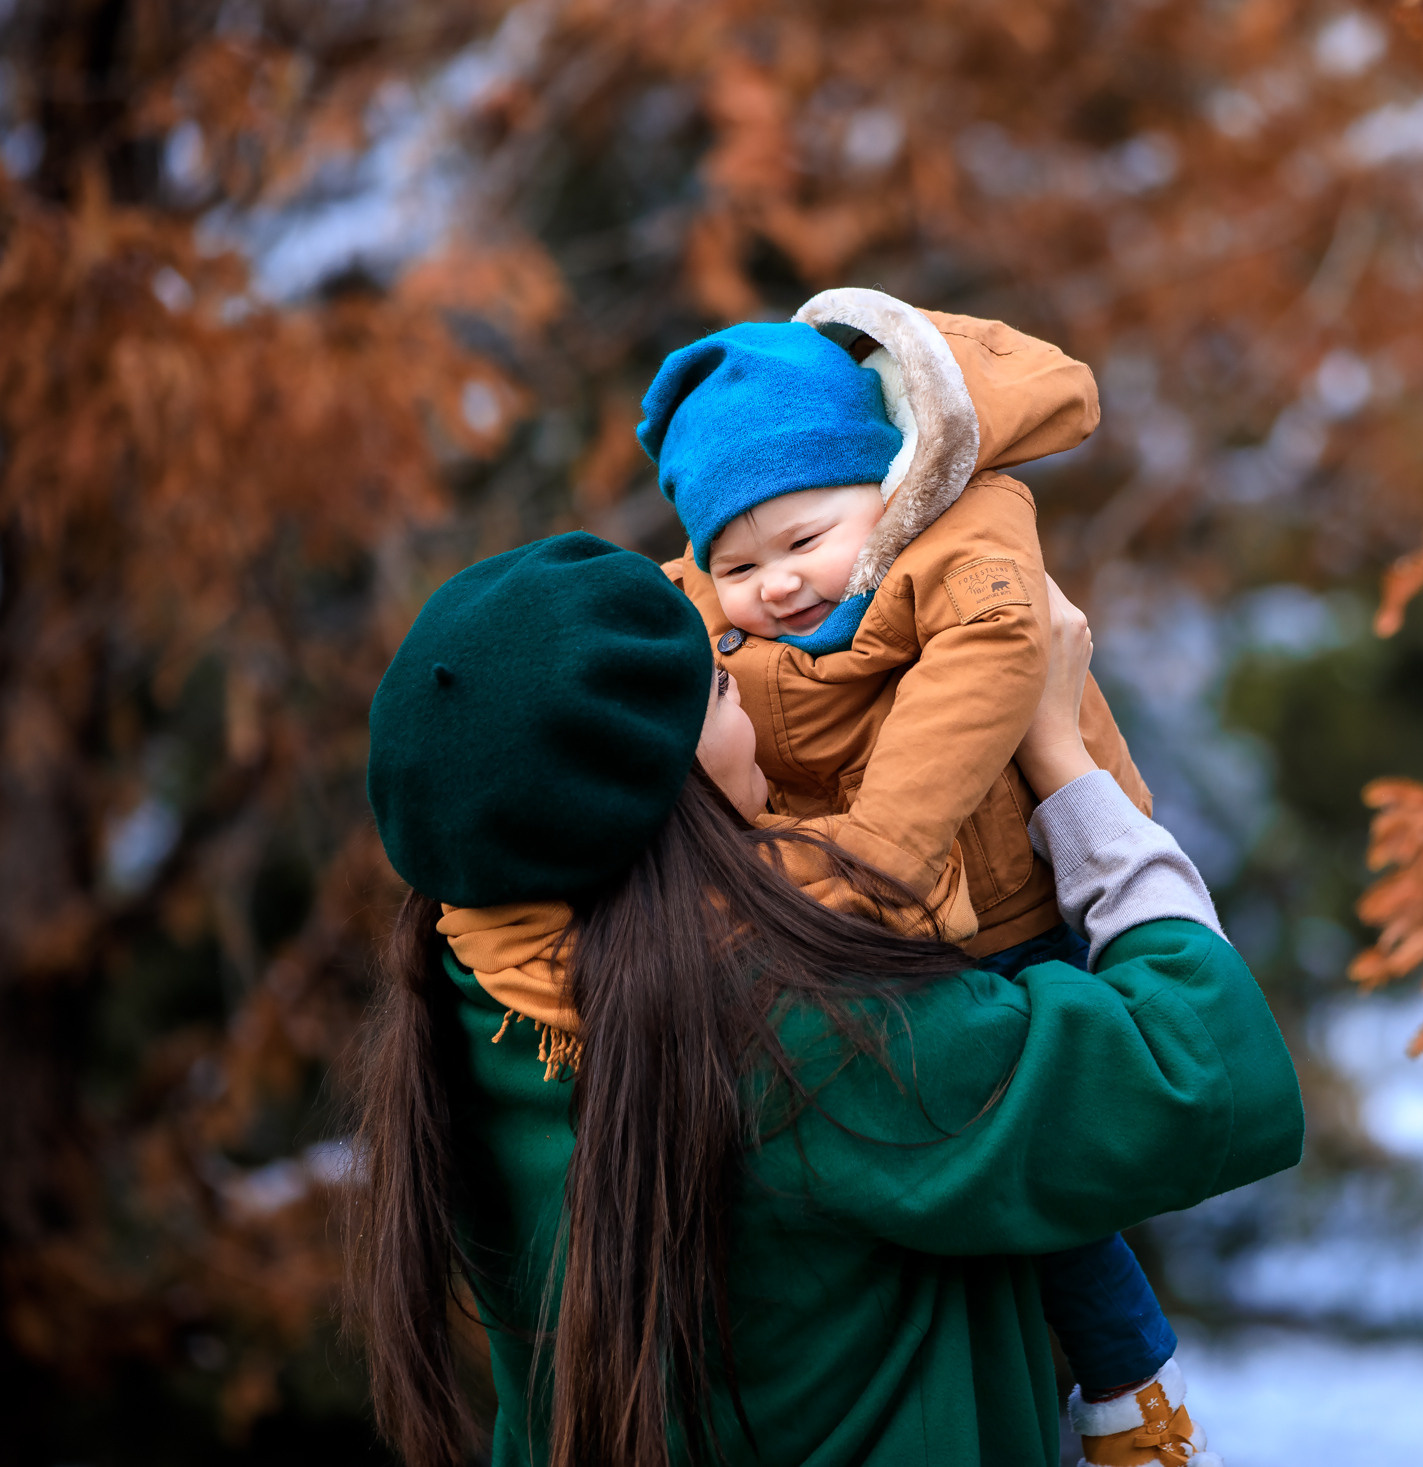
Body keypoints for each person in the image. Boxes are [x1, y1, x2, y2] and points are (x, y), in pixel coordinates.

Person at [352, 531, 1304, 1467]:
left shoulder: (465, 990)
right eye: (724, 691)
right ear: (662, 791)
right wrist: (1066, 762)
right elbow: (1199, 1061)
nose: (754, 711)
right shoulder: (814, 1034)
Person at [637, 291, 1192, 1450]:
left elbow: (986, 669)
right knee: (923, 1165)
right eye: (736, 563)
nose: (776, 585)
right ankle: (1008, 1395)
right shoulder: (702, 612)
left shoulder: (961, 533)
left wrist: (876, 854)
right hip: (873, 923)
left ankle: (1136, 1400)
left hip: (1018, 895)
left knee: (1042, 1170)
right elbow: (648, 655)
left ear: (884, 491)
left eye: (800, 542)